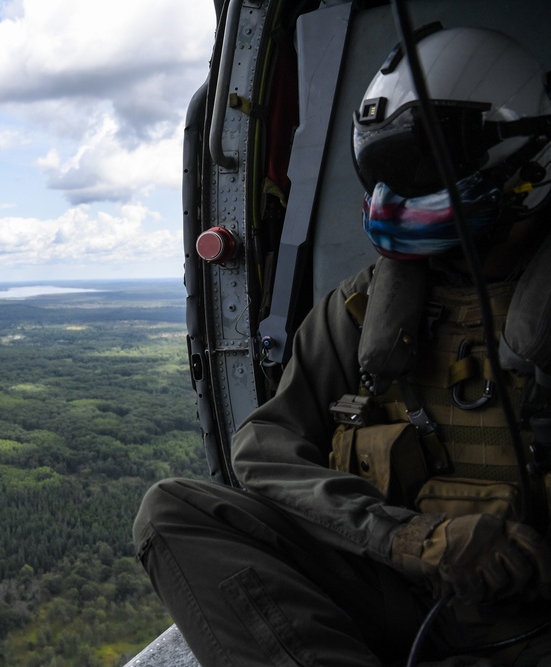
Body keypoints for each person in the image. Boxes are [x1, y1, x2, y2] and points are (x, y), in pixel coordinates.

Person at [134, 26, 551, 667]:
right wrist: (411, 539)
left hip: (532, 624)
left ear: (526, 165)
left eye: (421, 167)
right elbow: (265, 453)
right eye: (390, 169)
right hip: (397, 589)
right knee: (174, 511)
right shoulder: (364, 309)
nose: (403, 191)